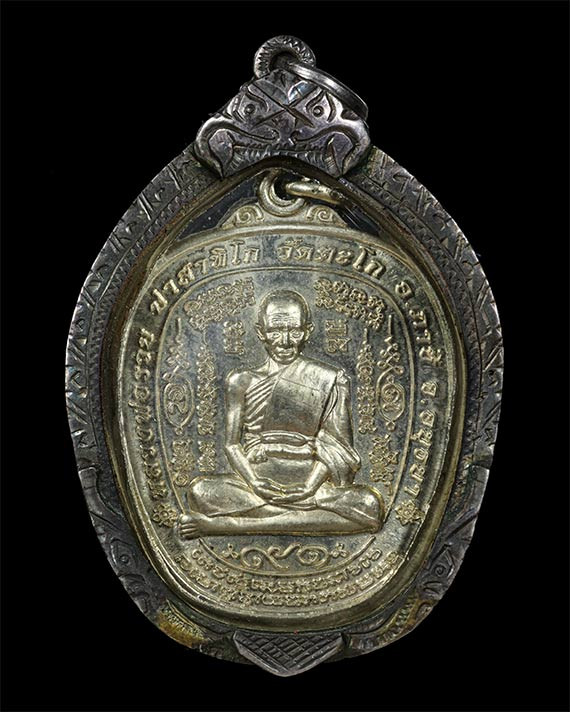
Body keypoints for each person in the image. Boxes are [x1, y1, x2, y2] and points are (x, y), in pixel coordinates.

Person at [179, 289, 383, 538]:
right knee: (200, 492)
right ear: (261, 332)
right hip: (256, 480)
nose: (285, 341)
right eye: (275, 331)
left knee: (369, 504)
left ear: (307, 331)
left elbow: (337, 448)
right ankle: (304, 520)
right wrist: (254, 482)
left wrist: (308, 487)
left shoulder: (330, 379)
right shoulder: (241, 381)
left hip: (312, 482)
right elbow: (232, 445)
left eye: (294, 331)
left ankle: (225, 525)